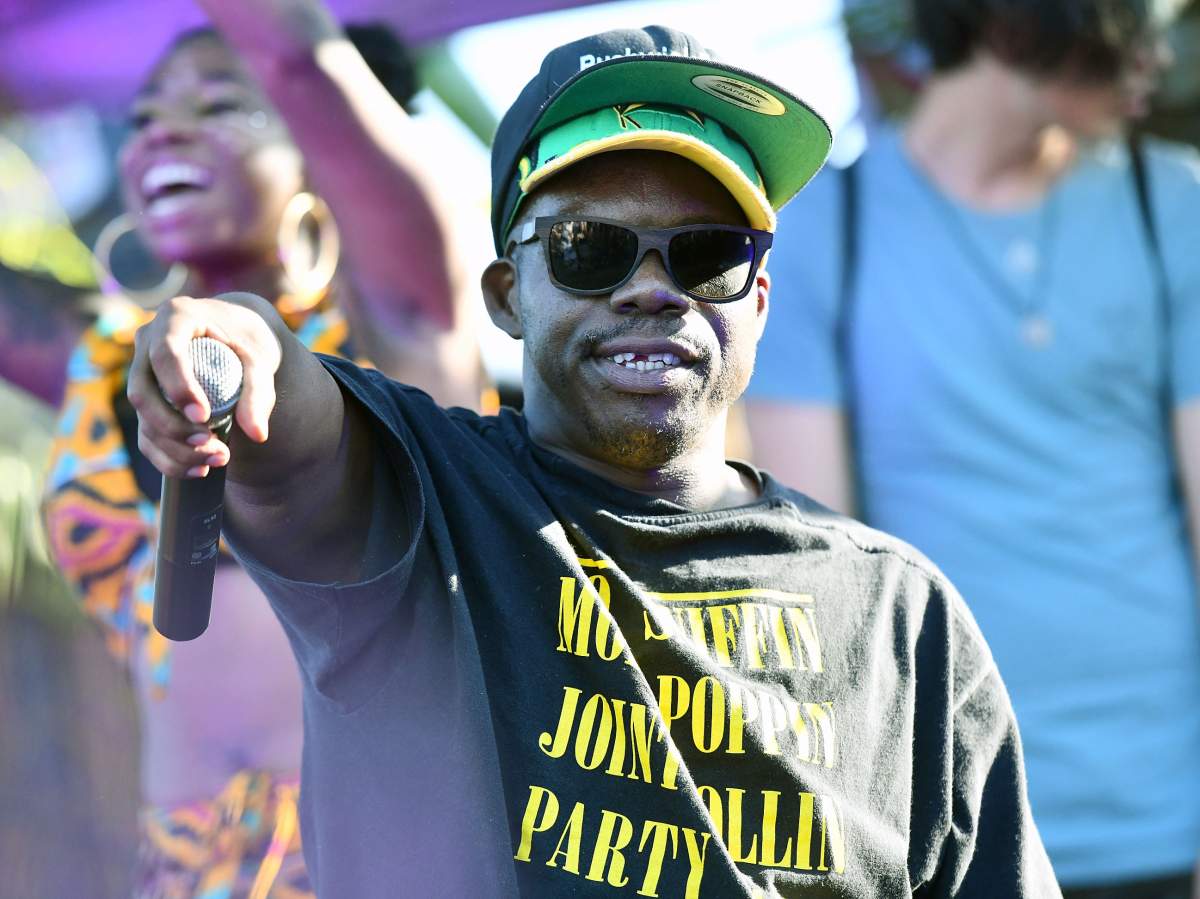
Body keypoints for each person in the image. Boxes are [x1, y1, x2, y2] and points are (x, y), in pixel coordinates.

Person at [128, 25, 1062, 898]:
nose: (653, 289)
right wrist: (232, 341)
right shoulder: (420, 503)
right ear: (506, 294)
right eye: (589, 249)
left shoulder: (901, 612)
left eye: (707, 253)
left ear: (761, 298)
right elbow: (295, 422)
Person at [746, 1, 1200, 896]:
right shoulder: (827, 229)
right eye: (1138, 15)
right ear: (1014, 17)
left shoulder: (1174, 206)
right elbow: (816, 581)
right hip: (949, 828)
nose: (1159, 48)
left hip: (1166, 815)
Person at [41, 1, 477, 895]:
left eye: (218, 103)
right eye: (147, 114)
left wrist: (294, 68)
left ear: (323, 149)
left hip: (379, 859)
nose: (165, 132)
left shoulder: (399, 320)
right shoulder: (102, 360)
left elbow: (298, 63)